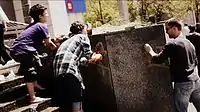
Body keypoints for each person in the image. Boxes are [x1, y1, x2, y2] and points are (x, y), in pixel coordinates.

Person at [144, 19, 200, 112]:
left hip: (183, 83)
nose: (166, 31)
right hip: (196, 81)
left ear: (175, 28)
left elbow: (158, 59)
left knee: (181, 110)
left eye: (167, 29)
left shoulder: (172, 44)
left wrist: (150, 51)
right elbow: (195, 62)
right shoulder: (189, 43)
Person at [10, 4, 57, 104]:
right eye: (46, 13)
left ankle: (35, 84)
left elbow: (38, 41)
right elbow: (48, 43)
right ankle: (32, 98)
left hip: (17, 49)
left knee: (35, 61)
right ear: (40, 16)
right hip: (23, 50)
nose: (47, 15)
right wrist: (55, 46)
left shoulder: (33, 25)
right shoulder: (42, 26)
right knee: (30, 71)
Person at [53, 21, 102, 112]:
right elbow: (90, 55)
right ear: (81, 30)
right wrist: (98, 56)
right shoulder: (82, 37)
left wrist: (88, 61)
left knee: (70, 103)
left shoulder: (68, 41)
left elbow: (78, 60)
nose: (87, 31)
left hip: (58, 74)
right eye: (85, 29)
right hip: (70, 72)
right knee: (77, 101)